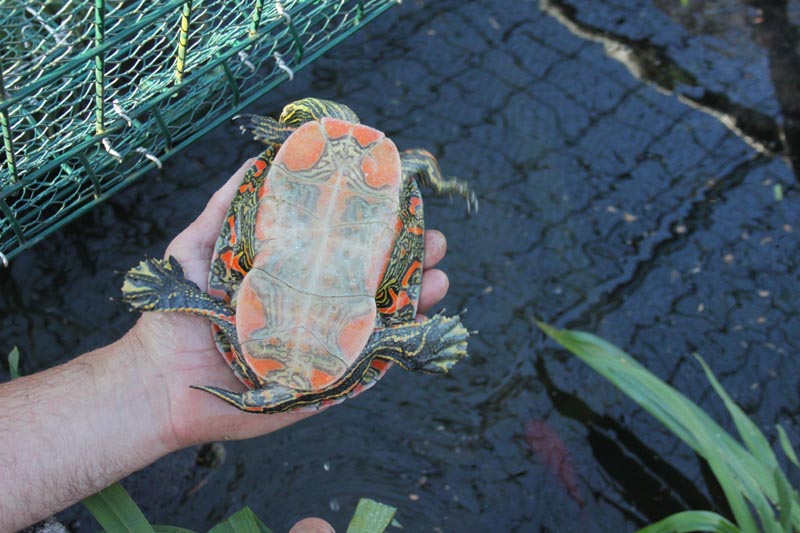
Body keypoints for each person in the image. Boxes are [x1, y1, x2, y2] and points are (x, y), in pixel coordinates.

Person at [0, 159, 453, 532]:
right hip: (341, 308)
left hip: (324, 272)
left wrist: (170, 313)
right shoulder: (395, 193)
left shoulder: (321, 173)